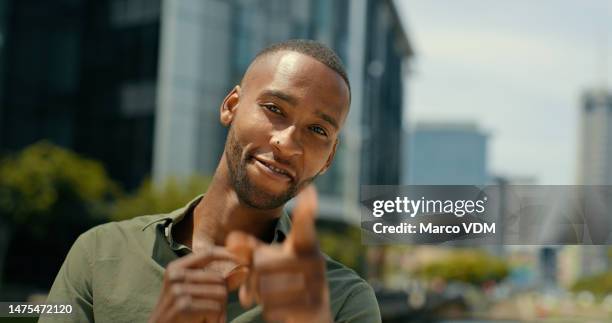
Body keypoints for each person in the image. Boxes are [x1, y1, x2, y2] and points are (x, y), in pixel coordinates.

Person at [41, 39, 381, 323]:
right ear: (231, 106)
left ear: (329, 159)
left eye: (318, 130)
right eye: (274, 109)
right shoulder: (101, 254)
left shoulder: (344, 303)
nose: (288, 143)